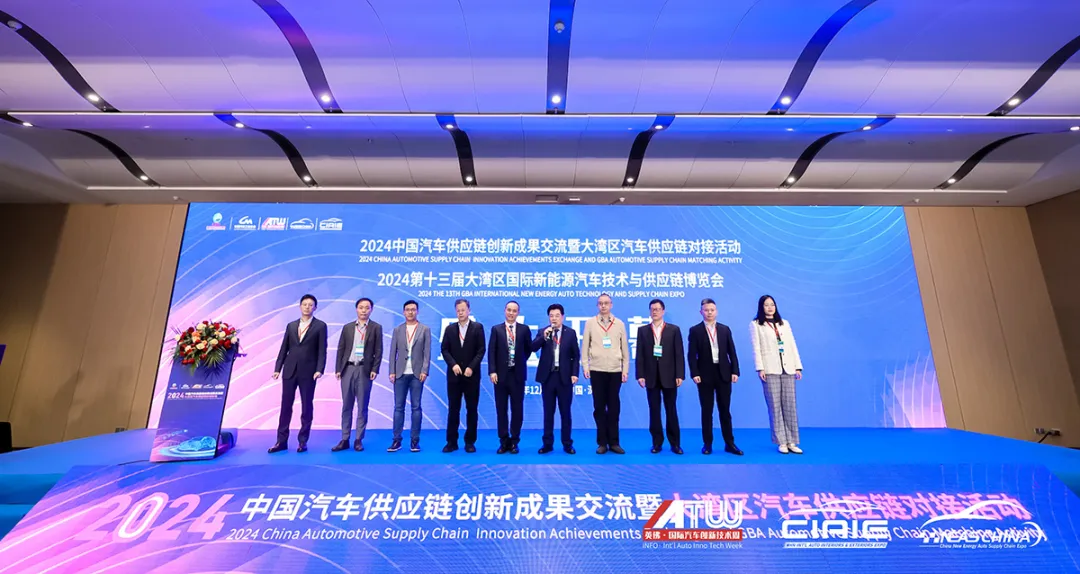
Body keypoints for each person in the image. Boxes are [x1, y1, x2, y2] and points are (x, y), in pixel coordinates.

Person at [269, 294, 328, 454]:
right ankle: (281, 441)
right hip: (289, 370)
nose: (307, 307)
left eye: (310, 305)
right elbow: (284, 348)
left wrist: (319, 369)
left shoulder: (320, 326)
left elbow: (322, 350)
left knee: (306, 406)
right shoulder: (291, 325)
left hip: (309, 372)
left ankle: (303, 441)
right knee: (285, 406)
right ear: (300, 306)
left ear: (315, 307)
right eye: (304, 304)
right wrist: (277, 368)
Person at [688, 298, 744, 456]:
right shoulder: (695, 330)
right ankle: (707, 444)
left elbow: (732, 352)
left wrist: (735, 371)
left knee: (725, 410)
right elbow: (691, 355)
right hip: (704, 375)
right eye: (706, 310)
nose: (709, 313)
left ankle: (729, 443)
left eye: (712, 310)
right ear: (701, 312)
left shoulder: (725, 329)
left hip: (724, 373)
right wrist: (695, 373)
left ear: (716, 311)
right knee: (707, 411)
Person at [750, 295, 805, 454]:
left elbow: (792, 345)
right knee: (775, 406)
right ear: (761, 307)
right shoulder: (756, 325)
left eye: (772, 304)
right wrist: (760, 368)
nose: (770, 308)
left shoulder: (784, 323)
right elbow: (756, 348)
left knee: (790, 405)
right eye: (766, 305)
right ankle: (781, 441)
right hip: (770, 369)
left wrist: (797, 367)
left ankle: (792, 441)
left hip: (788, 368)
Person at [581, 293, 630, 454]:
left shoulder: (619, 324)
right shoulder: (590, 323)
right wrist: (586, 366)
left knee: (614, 407)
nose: (603, 306)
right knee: (599, 407)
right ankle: (602, 442)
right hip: (596, 369)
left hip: (615, 370)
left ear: (611, 305)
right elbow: (585, 346)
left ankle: (614, 442)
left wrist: (625, 369)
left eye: (606, 303)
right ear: (597, 305)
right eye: (600, 303)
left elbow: (625, 348)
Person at [333, 298, 383, 452]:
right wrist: (338, 369)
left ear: (371, 310)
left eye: (367, 308)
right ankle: (344, 439)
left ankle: (358, 439)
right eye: (361, 307)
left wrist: (375, 369)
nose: (364, 310)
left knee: (362, 406)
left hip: (364, 370)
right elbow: (341, 349)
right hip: (348, 369)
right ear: (356, 309)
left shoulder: (376, 327)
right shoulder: (347, 327)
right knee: (346, 406)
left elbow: (378, 350)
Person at [635, 298, 684, 454]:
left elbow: (679, 353)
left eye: (657, 309)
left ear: (663, 311)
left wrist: (680, 374)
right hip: (651, 376)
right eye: (652, 309)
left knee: (671, 410)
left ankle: (675, 443)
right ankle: (657, 443)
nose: (655, 312)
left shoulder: (673, 330)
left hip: (670, 375)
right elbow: (640, 354)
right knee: (654, 411)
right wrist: (640, 375)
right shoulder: (643, 330)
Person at [531, 303, 580, 454]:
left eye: (557, 315)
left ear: (562, 317)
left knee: (565, 413)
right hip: (548, 377)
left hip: (564, 378)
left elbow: (575, 356)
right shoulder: (543, 332)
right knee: (548, 412)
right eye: (551, 316)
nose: (554, 318)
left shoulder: (570, 333)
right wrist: (544, 337)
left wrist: (574, 374)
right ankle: (547, 444)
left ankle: (567, 444)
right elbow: (533, 348)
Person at [440, 298, 485, 453]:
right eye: (458, 310)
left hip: (472, 376)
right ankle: (451, 442)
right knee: (453, 409)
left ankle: (470, 442)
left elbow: (481, 350)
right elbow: (444, 349)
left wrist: (471, 367)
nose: (460, 313)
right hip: (454, 377)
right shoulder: (450, 329)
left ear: (469, 311)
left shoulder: (477, 327)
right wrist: (453, 364)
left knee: (471, 409)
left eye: (463, 310)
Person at [488, 300, 532, 454]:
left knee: (517, 409)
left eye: (514, 311)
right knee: (501, 409)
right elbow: (491, 351)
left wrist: (518, 362)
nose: (511, 313)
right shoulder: (496, 329)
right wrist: (492, 371)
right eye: (509, 310)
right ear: (504, 311)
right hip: (500, 376)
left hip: (517, 375)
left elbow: (528, 350)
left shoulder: (524, 329)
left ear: (518, 313)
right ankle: (503, 441)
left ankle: (514, 441)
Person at [387, 300, 431, 453]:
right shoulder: (398, 330)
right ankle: (396, 440)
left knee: (416, 407)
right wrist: (391, 371)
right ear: (403, 312)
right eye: (407, 309)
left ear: (417, 311)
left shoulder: (425, 329)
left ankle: (414, 440)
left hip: (417, 374)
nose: (410, 312)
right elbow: (393, 352)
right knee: (398, 407)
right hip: (400, 373)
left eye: (413, 309)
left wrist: (425, 371)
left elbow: (427, 352)